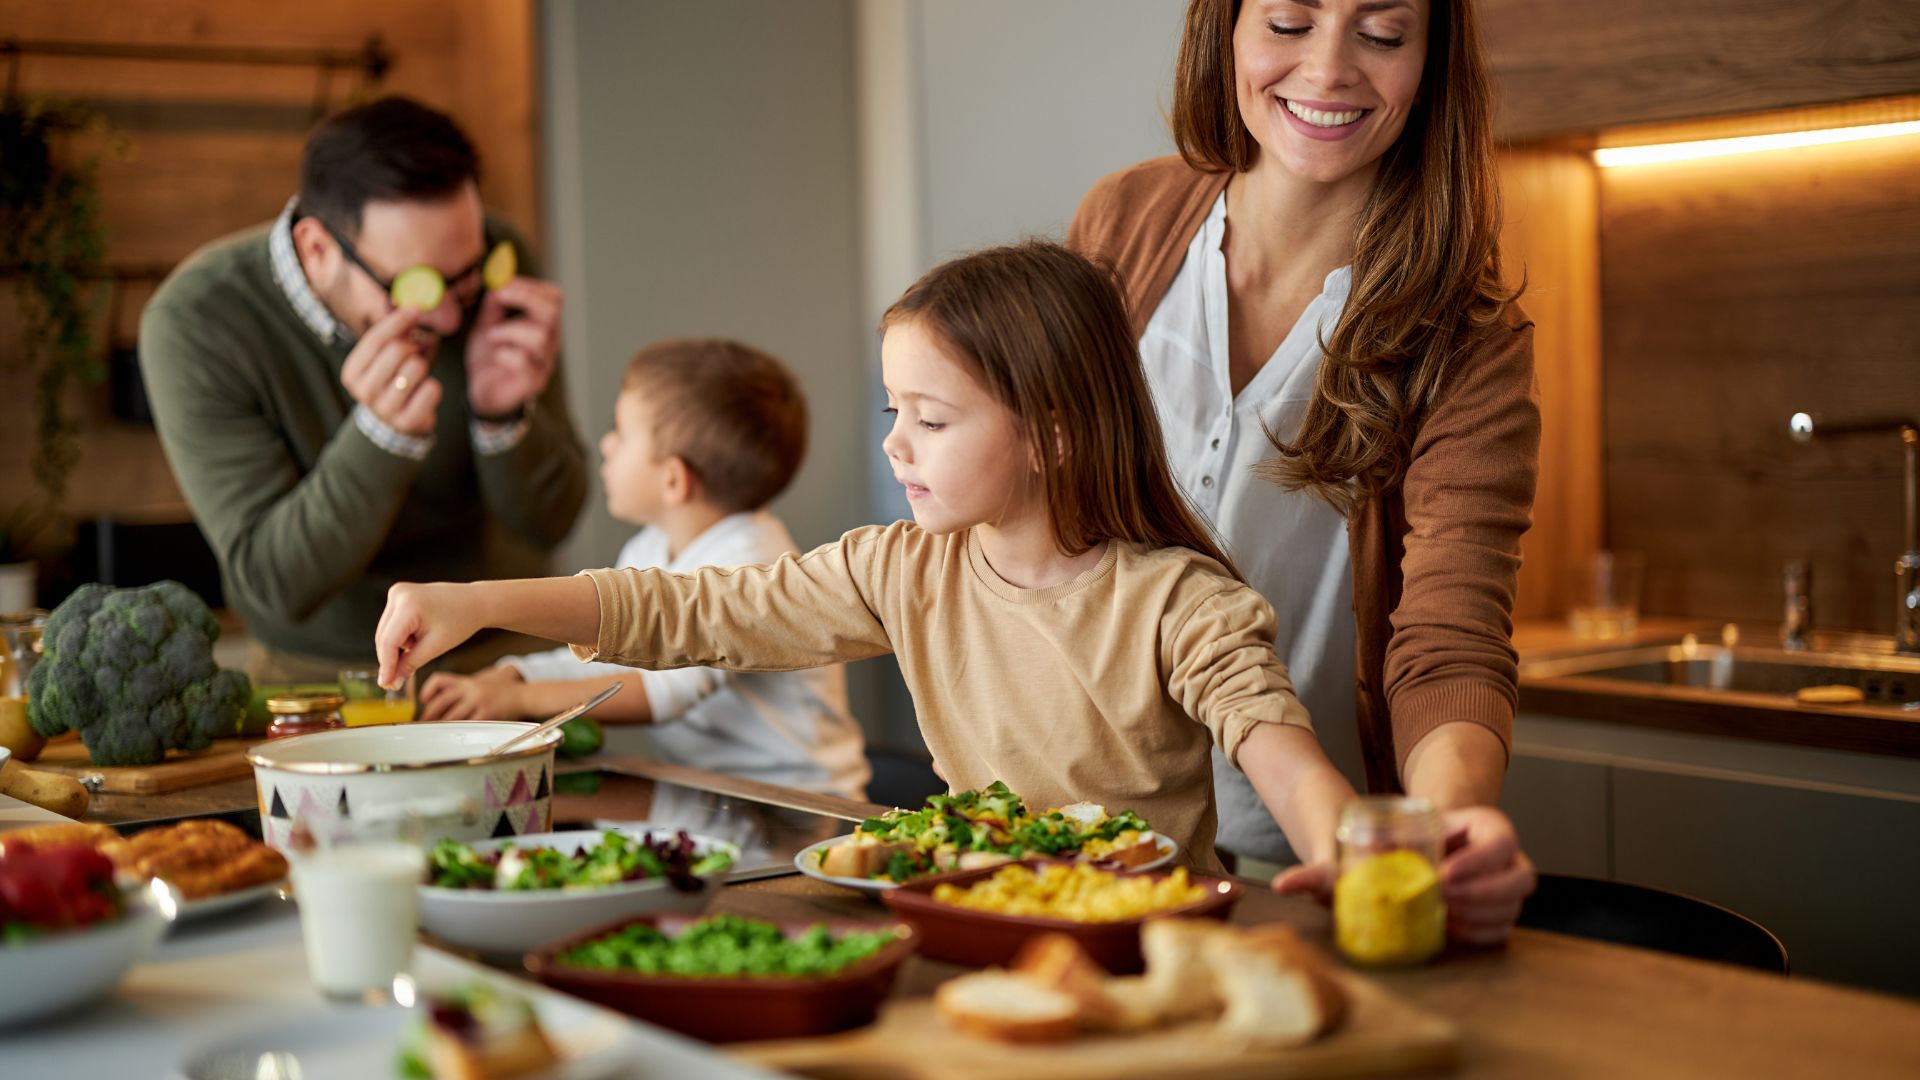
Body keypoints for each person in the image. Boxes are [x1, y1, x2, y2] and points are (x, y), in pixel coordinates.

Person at [373, 241, 1358, 873]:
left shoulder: (1179, 603)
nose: (895, 444)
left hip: (1141, 947)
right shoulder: (902, 571)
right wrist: (475, 601)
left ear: (1054, 436)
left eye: (931, 419)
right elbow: (687, 613)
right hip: (973, 919)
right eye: (898, 412)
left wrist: (1348, 861)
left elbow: (1283, 757)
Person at [1068, 0, 1537, 941]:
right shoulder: (1124, 222)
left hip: (1305, 861)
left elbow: (1449, 635)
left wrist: (1444, 824)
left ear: (1431, 60)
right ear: (1227, 31)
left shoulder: (1467, 336)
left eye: (1383, 34)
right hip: (1081, 833)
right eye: (1288, 22)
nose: (1327, 72)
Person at [140, 96, 588, 683]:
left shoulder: (489, 259)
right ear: (318, 249)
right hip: (325, 679)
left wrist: (502, 419)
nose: (454, 317)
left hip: (502, 664)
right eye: (418, 286)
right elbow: (276, 583)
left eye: (466, 278)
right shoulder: (196, 321)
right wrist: (380, 437)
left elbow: (551, 523)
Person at [416, 339, 870, 800]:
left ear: (673, 479)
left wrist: (517, 701)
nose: (605, 444)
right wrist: (515, 676)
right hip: (711, 794)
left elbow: (666, 692)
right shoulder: (651, 546)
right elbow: (609, 649)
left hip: (799, 802)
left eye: (622, 433)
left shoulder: (752, 561)